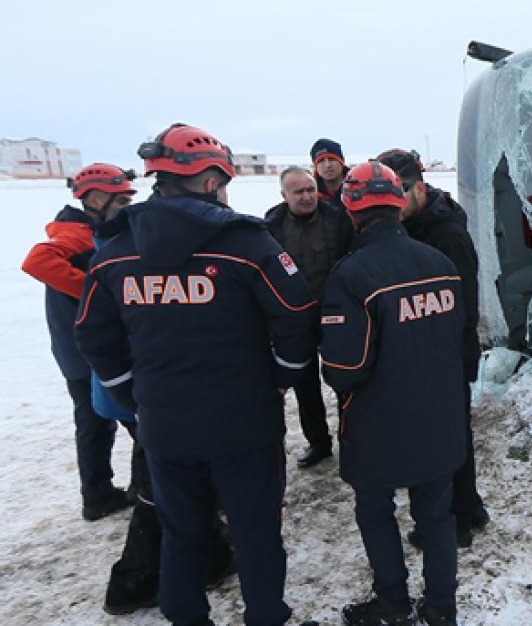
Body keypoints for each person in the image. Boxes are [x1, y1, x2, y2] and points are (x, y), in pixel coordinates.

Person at [75, 123, 317, 626]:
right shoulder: (247, 243)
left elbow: (92, 335)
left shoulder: (115, 252)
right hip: (244, 421)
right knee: (255, 530)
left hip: (165, 424)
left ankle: (186, 615)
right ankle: (266, 616)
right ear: (211, 183)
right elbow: (296, 316)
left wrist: (131, 395)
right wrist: (283, 375)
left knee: (180, 528)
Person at [320, 161, 464, 626]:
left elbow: (345, 368)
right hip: (440, 415)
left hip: (379, 423)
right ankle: (442, 609)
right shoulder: (439, 263)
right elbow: (457, 339)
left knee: (376, 512)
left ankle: (393, 603)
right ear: (399, 206)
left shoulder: (351, 275)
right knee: (436, 517)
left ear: (351, 210)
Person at [377, 148, 488, 549]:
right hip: (434, 353)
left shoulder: (447, 234)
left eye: (400, 192)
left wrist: (451, 357)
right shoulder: (415, 226)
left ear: (419, 188)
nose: (394, 202)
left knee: (445, 440)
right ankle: (470, 507)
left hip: (448, 353)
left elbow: (464, 306)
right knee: (452, 434)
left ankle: (455, 521)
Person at [22, 163, 134, 521]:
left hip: (79, 348)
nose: (126, 206)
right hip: (86, 351)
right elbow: (36, 260)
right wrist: (95, 290)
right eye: (120, 199)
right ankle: (130, 490)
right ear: (96, 198)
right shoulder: (77, 233)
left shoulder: (90, 229)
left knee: (97, 422)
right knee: (131, 418)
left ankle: (99, 493)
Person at [265, 166, 354, 468]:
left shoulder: (337, 219)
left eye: (310, 189)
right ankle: (318, 441)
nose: (306, 196)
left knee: (345, 377)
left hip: (334, 314)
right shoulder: (272, 226)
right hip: (294, 318)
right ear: (284, 195)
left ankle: (351, 438)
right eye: (298, 192)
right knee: (304, 385)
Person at [310, 138, 349, 211]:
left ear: (342, 161)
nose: (327, 165)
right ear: (315, 166)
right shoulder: (309, 194)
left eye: (332, 159)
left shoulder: (359, 186)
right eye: (321, 161)